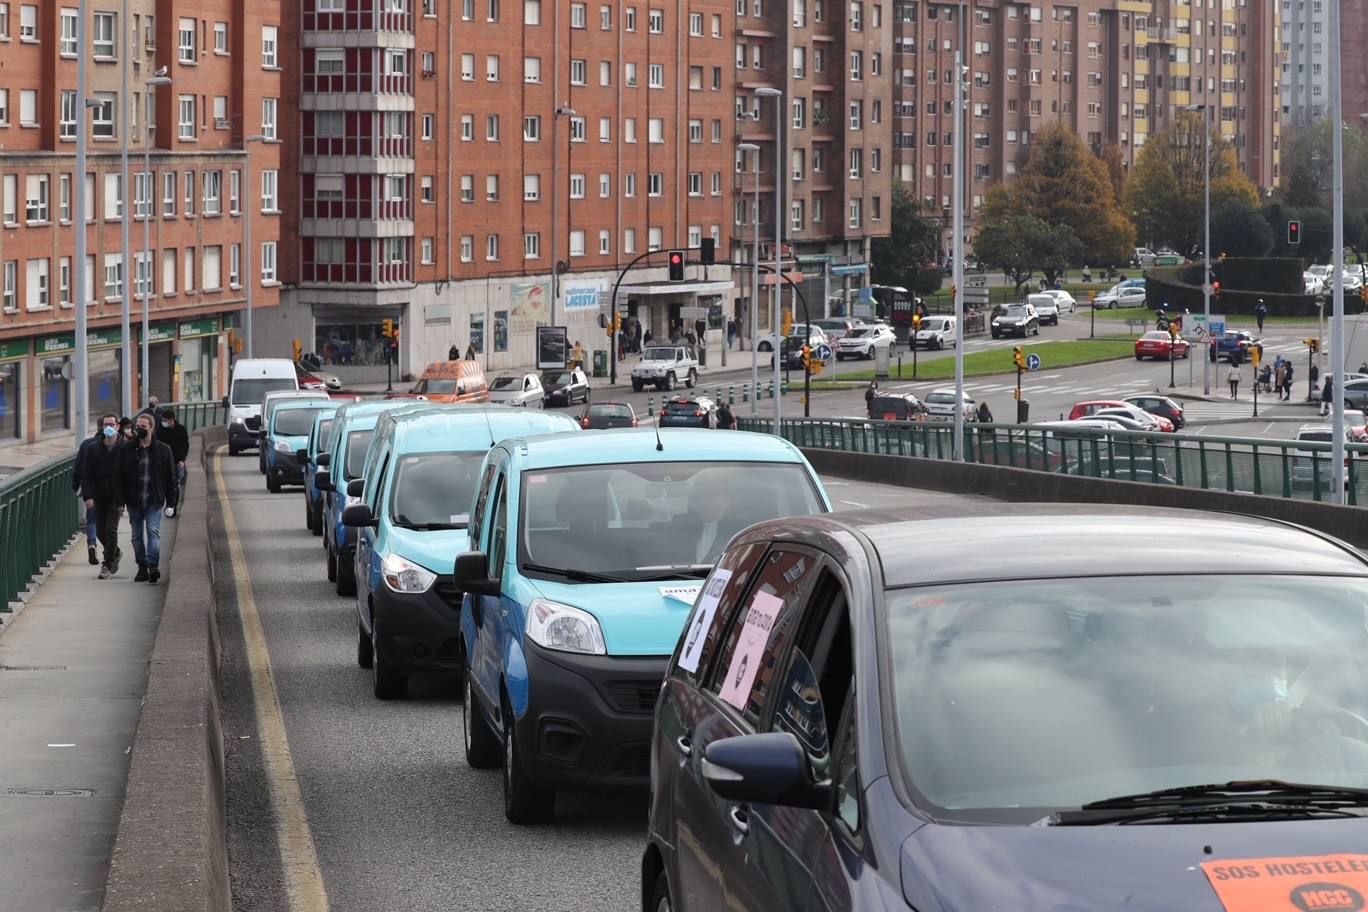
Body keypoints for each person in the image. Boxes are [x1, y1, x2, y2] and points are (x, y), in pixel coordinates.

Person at [118, 412, 178, 584]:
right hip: (134, 501)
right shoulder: (127, 449)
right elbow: (119, 476)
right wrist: (120, 500)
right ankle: (141, 567)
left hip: (154, 500)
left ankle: (153, 566)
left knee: (153, 532)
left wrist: (171, 503)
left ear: (151, 428)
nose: (139, 429)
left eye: (143, 427)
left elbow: (171, 478)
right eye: (138, 427)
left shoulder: (164, 450)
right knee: (136, 536)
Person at [81, 414, 125, 579]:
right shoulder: (93, 449)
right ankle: (116, 553)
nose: (109, 426)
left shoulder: (124, 448)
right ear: (102, 427)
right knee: (100, 532)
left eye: (112, 424)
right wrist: (88, 496)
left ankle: (106, 565)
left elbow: (129, 474)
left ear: (117, 426)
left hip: (116, 497)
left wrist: (124, 499)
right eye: (106, 424)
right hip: (99, 497)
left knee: (111, 530)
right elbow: (86, 474)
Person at [73, 423, 103, 565]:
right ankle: (111, 551)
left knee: (91, 519)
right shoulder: (115, 443)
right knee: (107, 523)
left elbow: (78, 468)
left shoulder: (86, 444)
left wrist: (76, 487)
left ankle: (92, 544)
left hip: (90, 489)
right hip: (106, 490)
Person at [158, 409, 190, 517]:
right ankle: (165, 505)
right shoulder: (160, 430)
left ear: (172, 420)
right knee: (163, 485)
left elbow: (185, 446)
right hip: (163, 462)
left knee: (174, 486)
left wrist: (182, 460)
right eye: (163, 420)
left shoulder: (181, 430)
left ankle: (172, 507)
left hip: (176, 462)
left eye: (165, 420)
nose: (163, 422)